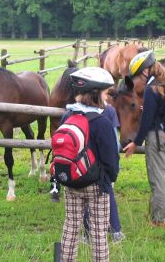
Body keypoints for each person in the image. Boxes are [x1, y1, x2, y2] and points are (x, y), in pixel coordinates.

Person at [59, 67, 120, 262]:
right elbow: (111, 158)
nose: (107, 97)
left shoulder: (67, 116)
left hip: (71, 181)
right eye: (104, 93)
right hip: (97, 185)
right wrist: (111, 179)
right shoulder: (102, 122)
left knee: (70, 227)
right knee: (99, 232)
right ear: (96, 94)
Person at [123, 50, 165, 227]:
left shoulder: (151, 88)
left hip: (157, 137)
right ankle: (154, 215)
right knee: (162, 176)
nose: (139, 79)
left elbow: (146, 122)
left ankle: (160, 220)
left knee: (158, 180)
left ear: (146, 70)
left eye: (139, 75)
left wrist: (135, 142)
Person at [82, 88, 125, 243]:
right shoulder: (109, 111)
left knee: (86, 197)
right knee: (107, 195)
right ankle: (115, 231)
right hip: (103, 162)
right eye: (105, 91)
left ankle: (87, 234)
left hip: (84, 163)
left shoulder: (77, 112)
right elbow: (114, 141)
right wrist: (115, 165)